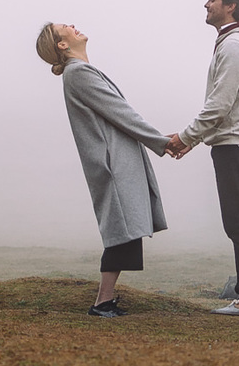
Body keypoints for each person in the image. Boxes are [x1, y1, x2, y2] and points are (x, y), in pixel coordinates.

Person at [35, 21, 171, 317]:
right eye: (66, 28)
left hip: (115, 158)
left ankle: (104, 300)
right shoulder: (79, 73)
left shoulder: (79, 72)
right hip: (112, 162)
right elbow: (120, 112)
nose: (73, 26)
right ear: (62, 44)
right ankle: (102, 302)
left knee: (124, 228)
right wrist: (162, 142)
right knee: (120, 229)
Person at [166, 0, 239, 314]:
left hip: (237, 141)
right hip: (233, 140)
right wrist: (195, 139)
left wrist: (186, 137)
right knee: (237, 221)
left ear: (230, 6)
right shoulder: (231, 42)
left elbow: (219, 104)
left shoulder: (235, 45)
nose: (206, 5)